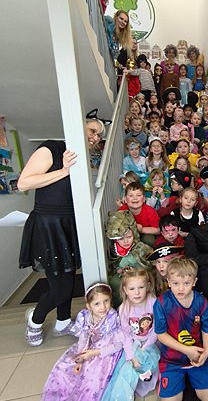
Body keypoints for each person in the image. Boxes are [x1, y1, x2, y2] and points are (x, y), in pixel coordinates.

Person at [18, 117, 106, 346]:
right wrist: (64, 171)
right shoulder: (52, 148)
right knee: (61, 288)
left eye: (99, 135)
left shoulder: (81, 159)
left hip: (68, 223)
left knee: (68, 275)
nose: (96, 137)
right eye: (93, 130)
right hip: (48, 225)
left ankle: (63, 321)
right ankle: (35, 320)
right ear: (79, 126)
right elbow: (23, 183)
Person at [75, 269, 160, 401]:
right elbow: (126, 336)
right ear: (125, 290)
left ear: (148, 286)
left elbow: (156, 329)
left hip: (150, 346)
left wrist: (144, 348)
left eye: (141, 287)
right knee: (119, 378)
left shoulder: (154, 303)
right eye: (132, 288)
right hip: (131, 348)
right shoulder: (123, 309)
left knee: (135, 372)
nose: (137, 292)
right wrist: (131, 356)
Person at [35, 283, 123, 401]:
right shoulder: (84, 316)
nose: (103, 307)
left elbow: (117, 344)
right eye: (97, 303)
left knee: (92, 382)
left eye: (106, 301)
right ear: (88, 305)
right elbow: (83, 337)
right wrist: (80, 357)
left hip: (103, 354)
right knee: (63, 372)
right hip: (86, 351)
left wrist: (94, 353)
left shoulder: (113, 317)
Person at [154, 258, 208, 401]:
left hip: (196, 356)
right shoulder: (161, 303)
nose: (181, 288)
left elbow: (207, 328)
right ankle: (170, 379)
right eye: (176, 283)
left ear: (194, 282)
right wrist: (186, 350)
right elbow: (161, 335)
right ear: (168, 282)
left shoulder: (201, 302)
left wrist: (206, 351)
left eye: (186, 283)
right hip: (171, 359)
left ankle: (191, 376)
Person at [106, 210, 153, 307]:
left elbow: (150, 265)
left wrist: (136, 271)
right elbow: (114, 266)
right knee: (115, 282)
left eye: (129, 237)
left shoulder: (141, 248)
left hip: (140, 275)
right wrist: (120, 270)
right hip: (125, 278)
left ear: (134, 234)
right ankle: (122, 309)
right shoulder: (115, 250)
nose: (126, 241)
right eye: (121, 239)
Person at [118, 182, 160, 246]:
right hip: (127, 236)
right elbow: (117, 226)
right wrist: (132, 228)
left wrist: (141, 229)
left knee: (149, 239)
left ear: (144, 199)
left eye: (138, 195)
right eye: (131, 195)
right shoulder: (122, 211)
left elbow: (157, 230)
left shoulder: (150, 211)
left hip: (144, 235)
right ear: (125, 199)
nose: (135, 198)